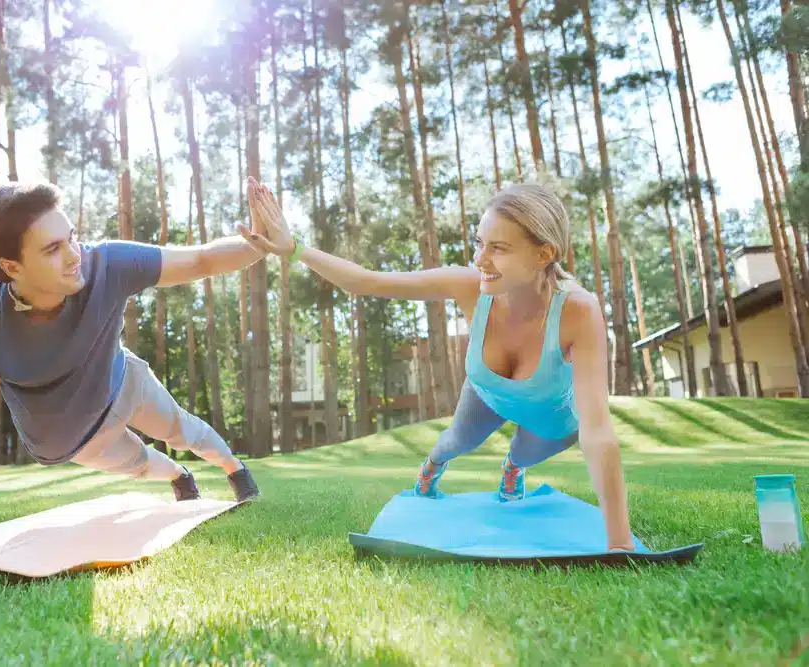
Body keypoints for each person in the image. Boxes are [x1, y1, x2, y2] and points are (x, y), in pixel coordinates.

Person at [241, 179, 634, 551]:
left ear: (544, 254)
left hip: (550, 415)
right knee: (456, 442)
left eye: (498, 248)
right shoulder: (469, 285)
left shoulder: (579, 310)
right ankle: (433, 465)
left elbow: (598, 431)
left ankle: (513, 468)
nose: (481, 259)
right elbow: (368, 282)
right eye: (479, 243)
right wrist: (293, 249)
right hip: (485, 395)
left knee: (524, 454)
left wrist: (619, 544)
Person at [0, 182, 261, 569]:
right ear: (10, 267)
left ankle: (233, 469)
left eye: (72, 238)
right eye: (53, 249)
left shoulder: (106, 264)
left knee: (181, 429)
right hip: (77, 440)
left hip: (124, 385)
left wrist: (261, 244)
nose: (74, 255)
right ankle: (179, 475)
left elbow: (200, 261)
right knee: (140, 464)